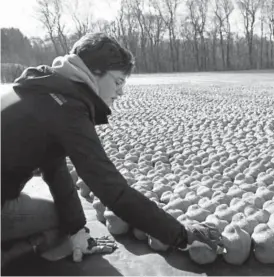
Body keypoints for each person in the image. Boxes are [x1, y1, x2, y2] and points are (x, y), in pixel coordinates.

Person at [1, 33, 223, 269]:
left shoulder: (44, 89)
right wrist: (182, 236)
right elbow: (111, 189)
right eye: (117, 82)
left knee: (68, 220)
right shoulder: (67, 108)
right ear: (94, 72)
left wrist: (78, 229)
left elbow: (54, 166)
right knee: (59, 221)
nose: (121, 92)